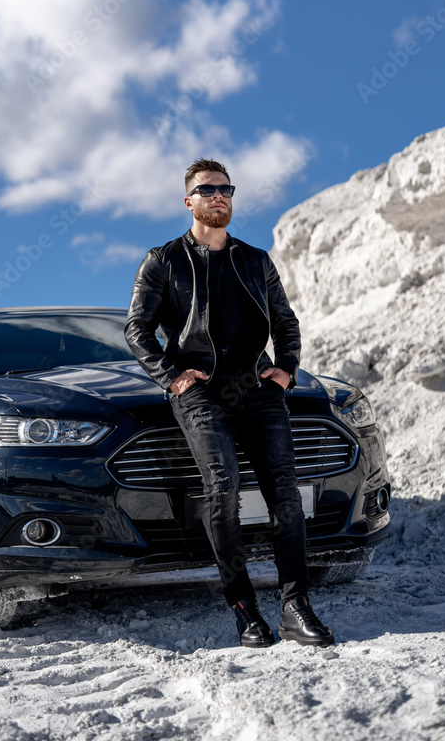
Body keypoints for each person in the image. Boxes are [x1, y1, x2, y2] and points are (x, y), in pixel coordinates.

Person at [125, 157, 334, 648]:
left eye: (225, 188)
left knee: (285, 492)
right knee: (223, 490)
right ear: (189, 201)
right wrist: (174, 377)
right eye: (207, 189)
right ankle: (244, 609)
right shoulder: (163, 260)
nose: (217, 195)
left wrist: (287, 368)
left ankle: (295, 605)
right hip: (201, 395)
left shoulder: (256, 260)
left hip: (258, 390)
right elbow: (137, 330)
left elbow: (286, 321)